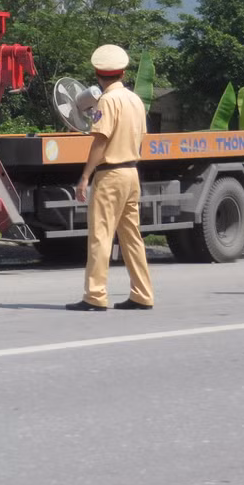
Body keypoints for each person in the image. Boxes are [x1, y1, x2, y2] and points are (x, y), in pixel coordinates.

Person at [66, 44, 154, 312]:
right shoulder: (135, 100)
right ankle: (143, 294)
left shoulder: (107, 101)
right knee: (132, 237)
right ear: (123, 73)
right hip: (131, 173)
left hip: (110, 175)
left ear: (97, 74)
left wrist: (85, 176)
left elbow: (100, 141)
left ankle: (95, 296)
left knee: (101, 236)